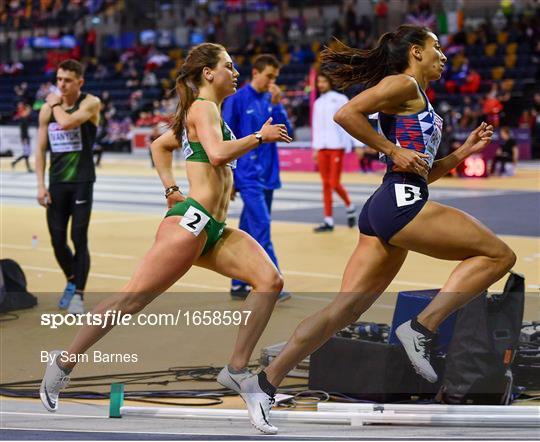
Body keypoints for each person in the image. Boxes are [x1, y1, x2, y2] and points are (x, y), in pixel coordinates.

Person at [237, 25, 516, 434]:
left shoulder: (416, 96)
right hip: (400, 202)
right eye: (436, 48)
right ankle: (420, 327)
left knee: (342, 311)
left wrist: (463, 151)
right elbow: (345, 114)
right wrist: (390, 148)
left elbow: (423, 171)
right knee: (499, 256)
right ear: (416, 52)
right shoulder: (402, 83)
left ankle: (262, 384)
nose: (443, 55)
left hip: (391, 202)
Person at [39, 43, 292, 415]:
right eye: (229, 65)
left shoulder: (212, 113)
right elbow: (219, 154)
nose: (235, 71)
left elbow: (160, 145)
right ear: (208, 73)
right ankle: (63, 363)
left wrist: (172, 188)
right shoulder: (203, 108)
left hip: (214, 228)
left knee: (270, 281)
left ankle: (237, 370)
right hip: (190, 224)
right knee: (131, 301)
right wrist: (258, 137)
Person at [222, 54, 293, 301]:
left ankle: (238, 283)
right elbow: (226, 137)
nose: (273, 82)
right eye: (269, 76)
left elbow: (287, 133)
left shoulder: (270, 99)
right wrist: (229, 175)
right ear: (255, 73)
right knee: (262, 228)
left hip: (269, 174)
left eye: (275, 77)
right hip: (247, 175)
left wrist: (278, 105)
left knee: (248, 229)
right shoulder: (238, 99)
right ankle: (273, 284)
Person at [35, 59, 101, 315]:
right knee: (57, 240)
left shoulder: (90, 102)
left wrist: (53, 103)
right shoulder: (47, 110)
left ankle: (79, 296)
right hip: (57, 183)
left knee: (78, 238)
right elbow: (40, 151)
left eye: (67, 80)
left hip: (82, 182)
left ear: (80, 82)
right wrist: (40, 185)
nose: (61, 84)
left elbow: (67, 123)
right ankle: (72, 280)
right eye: (59, 79)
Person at [311, 72, 357, 232]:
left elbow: (351, 120)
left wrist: (355, 144)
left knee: (334, 183)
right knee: (325, 184)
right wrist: (315, 148)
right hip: (322, 147)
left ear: (330, 82)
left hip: (336, 145)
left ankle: (350, 206)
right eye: (319, 81)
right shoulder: (317, 103)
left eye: (324, 81)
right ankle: (328, 221)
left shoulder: (340, 99)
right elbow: (316, 126)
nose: (321, 84)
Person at [11, 102, 33, 172]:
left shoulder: (24, 118)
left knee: (27, 153)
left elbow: (28, 114)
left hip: (26, 137)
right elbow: (22, 131)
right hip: (25, 138)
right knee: (26, 154)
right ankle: (28, 168)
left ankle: (15, 162)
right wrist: (24, 139)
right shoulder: (22, 118)